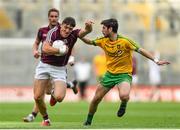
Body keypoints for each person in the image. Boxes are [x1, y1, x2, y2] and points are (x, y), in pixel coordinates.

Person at [81, 18, 170, 126]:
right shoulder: (102, 40)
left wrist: (156, 60)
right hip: (109, 74)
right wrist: (79, 34)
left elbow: (140, 50)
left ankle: (123, 104)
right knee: (96, 99)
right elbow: (89, 41)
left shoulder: (125, 41)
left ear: (110, 29)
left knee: (124, 95)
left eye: (104, 28)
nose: (102, 30)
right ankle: (88, 121)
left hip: (124, 75)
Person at [34, 16, 93, 126]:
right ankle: (46, 119)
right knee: (37, 97)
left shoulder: (74, 34)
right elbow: (45, 48)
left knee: (59, 98)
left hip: (59, 68)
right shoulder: (53, 32)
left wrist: (88, 27)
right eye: (65, 27)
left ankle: (53, 93)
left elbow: (85, 32)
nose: (67, 30)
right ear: (61, 25)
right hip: (44, 65)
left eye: (70, 29)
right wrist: (59, 50)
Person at [23, 9, 78, 123]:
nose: (53, 18)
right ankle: (70, 84)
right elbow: (37, 43)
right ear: (48, 17)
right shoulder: (42, 30)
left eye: (56, 16)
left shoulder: (63, 30)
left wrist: (71, 58)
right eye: (51, 16)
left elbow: (70, 46)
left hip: (58, 66)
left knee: (50, 94)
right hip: (44, 64)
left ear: (59, 18)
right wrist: (34, 51)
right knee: (44, 93)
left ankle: (33, 115)